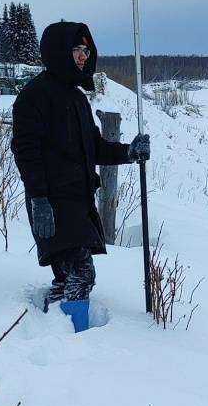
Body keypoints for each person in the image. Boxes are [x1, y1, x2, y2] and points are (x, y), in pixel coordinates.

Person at [11, 21, 149, 331]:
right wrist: (39, 200)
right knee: (81, 273)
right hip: (53, 202)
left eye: (86, 50)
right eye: (77, 50)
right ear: (59, 51)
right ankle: (74, 336)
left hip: (78, 200)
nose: (84, 56)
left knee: (69, 273)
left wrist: (129, 152)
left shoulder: (76, 97)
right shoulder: (35, 96)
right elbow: (25, 152)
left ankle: (55, 323)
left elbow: (94, 147)